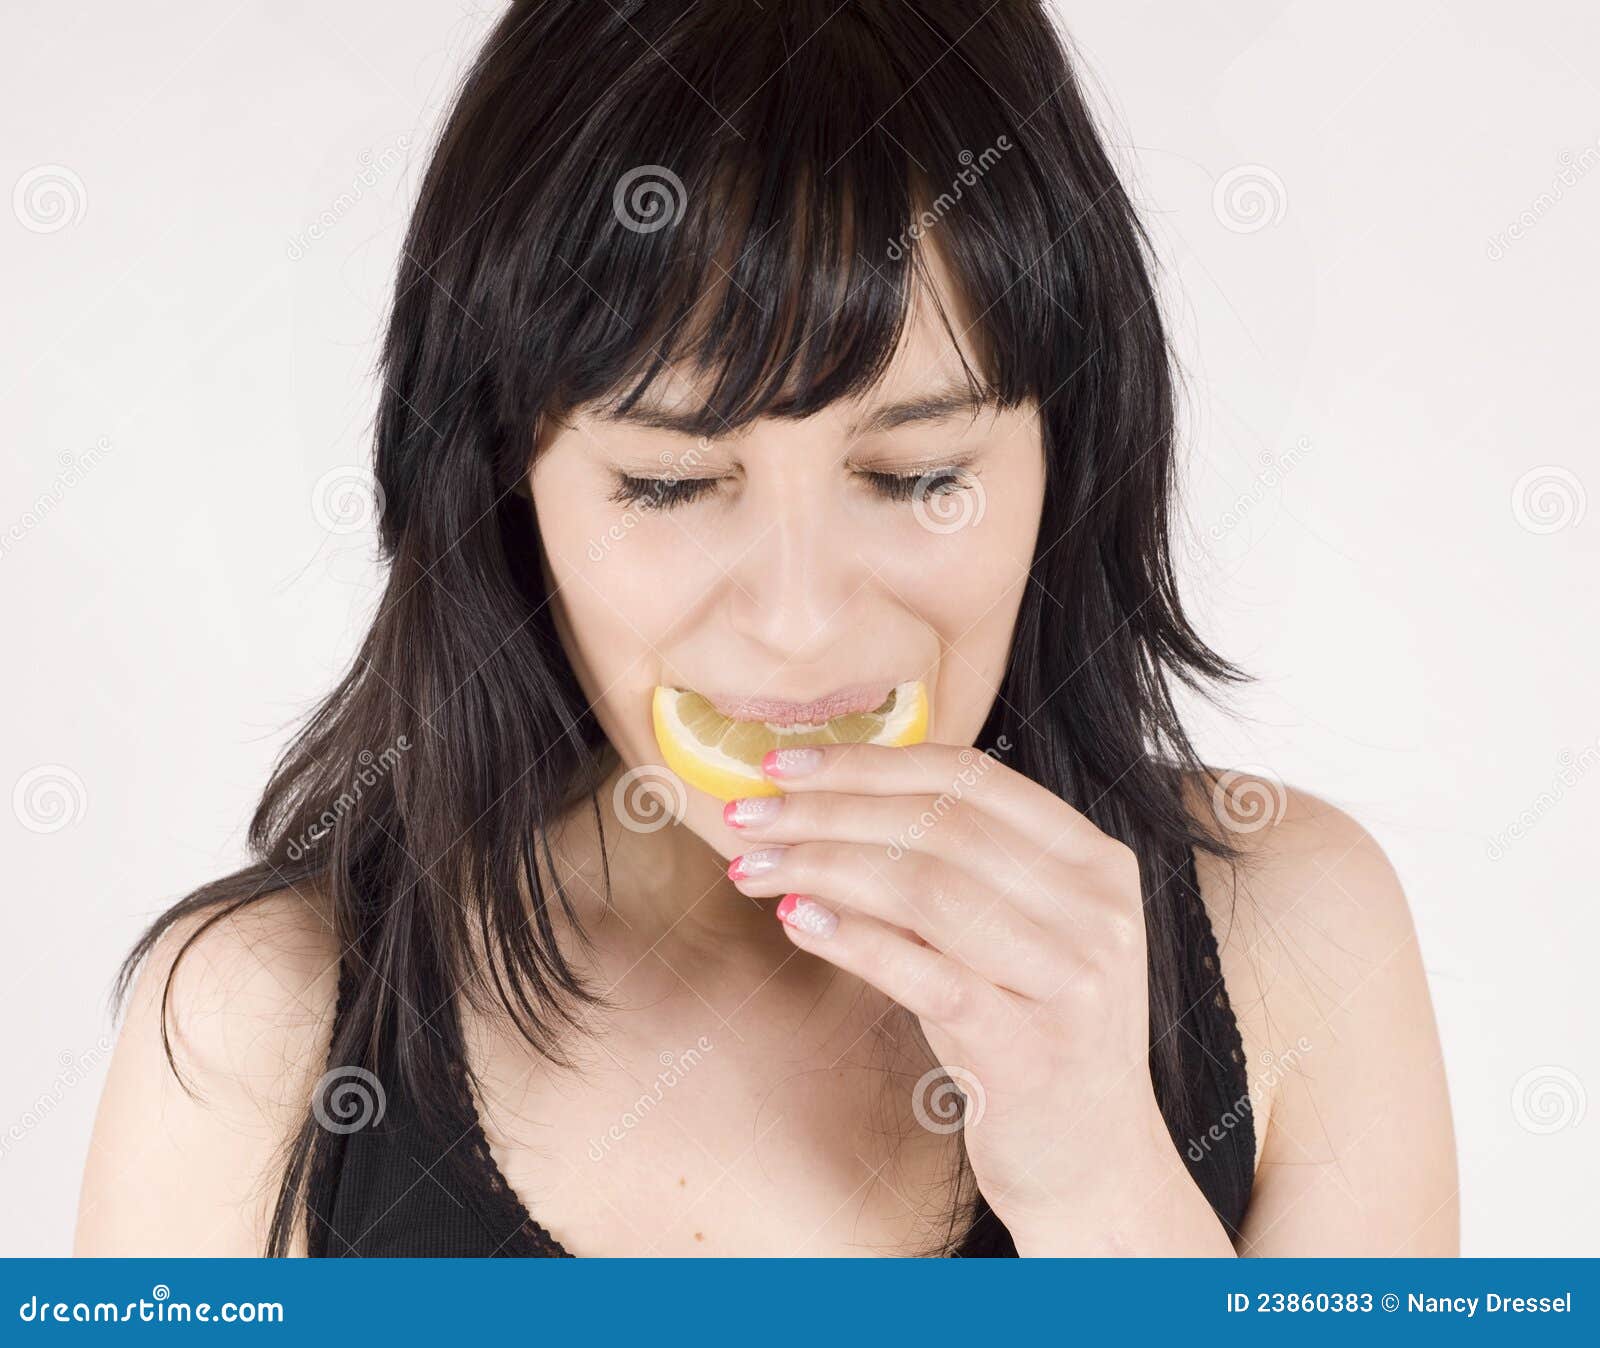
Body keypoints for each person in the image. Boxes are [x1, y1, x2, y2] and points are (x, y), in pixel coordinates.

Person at [76, 0, 1456, 1258]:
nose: (801, 625)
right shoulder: (259, 1031)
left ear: (1072, 453)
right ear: (502, 489)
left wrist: (1100, 1183)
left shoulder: (1294, 937)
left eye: (917, 476)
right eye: (670, 484)